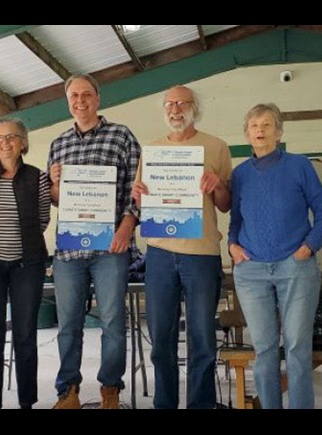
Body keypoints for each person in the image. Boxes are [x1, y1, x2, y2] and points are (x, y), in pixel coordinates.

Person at [130, 85, 231, 409]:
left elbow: (227, 205)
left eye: (182, 103)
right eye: (169, 103)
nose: (175, 109)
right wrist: (140, 196)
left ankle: (201, 405)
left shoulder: (217, 147)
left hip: (201, 256)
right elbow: (145, 204)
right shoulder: (152, 150)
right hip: (159, 253)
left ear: (194, 108)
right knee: (161, 342)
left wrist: (217, 186)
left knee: (202, 341)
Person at [228, 103, 322, 409]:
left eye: (267, 125)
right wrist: (233, 246)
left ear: (279, 131)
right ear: (247, 133)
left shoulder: (299, 165)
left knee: (298, 349)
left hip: (295, 266)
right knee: (264, 350)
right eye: (254, 126)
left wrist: (309, 246)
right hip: (251, 271)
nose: (260, 130)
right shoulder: (240, 174)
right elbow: (236, 219)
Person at [47, 73, 141, 409]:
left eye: (87, 94)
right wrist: (55, 184)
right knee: (68, 325)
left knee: (113, 323)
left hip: (110, 249)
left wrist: (127, 227)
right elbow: (58, 200)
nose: (80, 101)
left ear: (98, 99)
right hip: (69, 251)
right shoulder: (58, 144)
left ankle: (110, 389)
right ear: (67, 101)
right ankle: (68, 391)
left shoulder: (122, 136)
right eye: (74, 96)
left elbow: (137, 188)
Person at [0, 117, 51, 409]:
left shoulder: (38, 177)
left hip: (27, 264)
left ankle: (26, 401)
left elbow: (42, 219)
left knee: (26, 335)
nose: (5, 142)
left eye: (12, 137)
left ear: (23, 142)